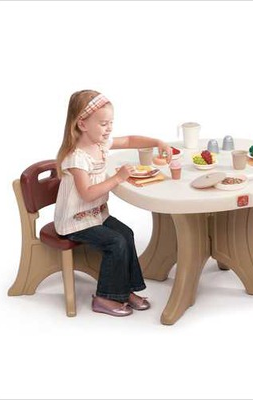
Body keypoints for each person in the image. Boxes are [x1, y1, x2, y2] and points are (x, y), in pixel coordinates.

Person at [54, 90, 172, 316]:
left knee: (126, 234)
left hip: (96, 215)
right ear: (82, 124)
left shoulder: (99, 145)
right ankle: (104, 298)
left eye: (111, 123)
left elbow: (129, 140)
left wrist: (157, 142)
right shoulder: (77, 157)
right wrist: (117, 178)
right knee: (116, 242)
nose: (109, 129)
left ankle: (124, 290)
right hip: (75, 222)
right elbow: (87, 194)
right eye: (103, 124)